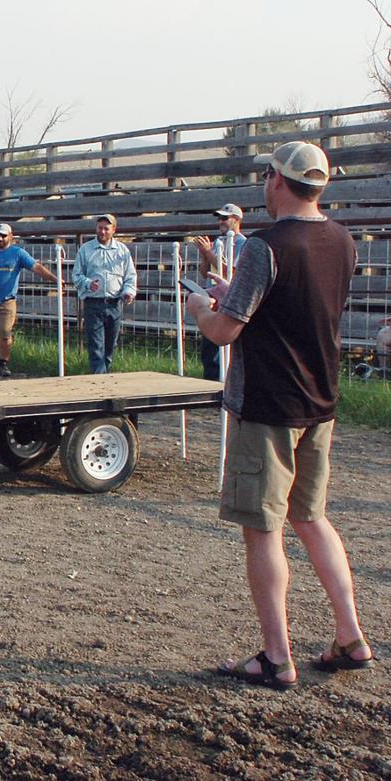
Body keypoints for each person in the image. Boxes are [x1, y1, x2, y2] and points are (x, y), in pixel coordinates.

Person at [186, 141, 373, 690]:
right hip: (319, 402)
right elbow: (298, 305)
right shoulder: (342, 240)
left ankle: (275, 656)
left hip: (267, 405)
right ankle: (350, 636)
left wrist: (201, 308)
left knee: (262, 528)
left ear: (277, 180)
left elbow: (224, 332)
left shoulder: (264, 246)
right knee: (312, 519)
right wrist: (236, 293)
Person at [0, 223, 58, 379]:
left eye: (3, 235)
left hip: (6, 301)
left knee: (5, 332)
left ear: (10, 236)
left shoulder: (18, 253)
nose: (0, 238)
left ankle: (3, 363)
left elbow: (36, 267)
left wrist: (55, 279)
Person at [72, 214, 136, 373]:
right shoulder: (85, 250)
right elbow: (76, 275)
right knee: (96, 345)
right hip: (93, 303)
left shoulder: (122, 251)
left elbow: (130, 276)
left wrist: (128, 292)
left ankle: (103, 374)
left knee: (110, 345)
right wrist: (88, 284)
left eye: (106, 229)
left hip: (114, 304)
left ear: (113, 230)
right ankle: (99, 377)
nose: (102, 232)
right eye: (100, 228)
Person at [191, 204, 246, 380]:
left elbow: (231, 272)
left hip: (226, 298)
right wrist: (204, 254)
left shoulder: (242, 243)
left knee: (218, 345)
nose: (220, 222)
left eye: (224, 218)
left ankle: (219, 381)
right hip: (213, 297)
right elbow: (204, 272)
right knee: (209, 347)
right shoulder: (218, 242)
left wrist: (208, 252)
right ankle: (211, 379)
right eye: (219, 218)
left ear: (236, 220)